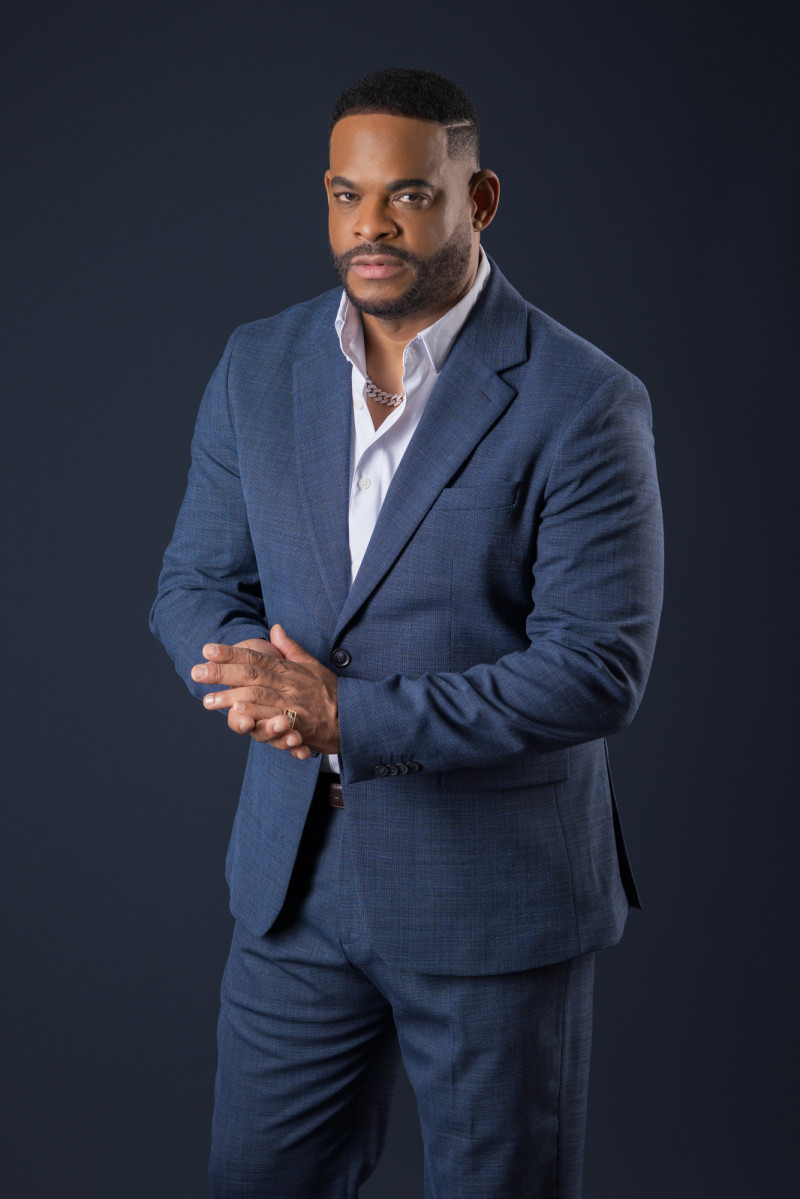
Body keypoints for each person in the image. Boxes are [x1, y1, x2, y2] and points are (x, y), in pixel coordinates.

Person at [150, 66, 663, 1199]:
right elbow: (193, 580)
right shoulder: (257, 363)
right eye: (346, 195)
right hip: (293, 885)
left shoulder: (582, 399)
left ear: (479, 200)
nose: (369, 225)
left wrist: (347, 715)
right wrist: (248, 680)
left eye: (408, 195)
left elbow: (596, 668)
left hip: (493, 897)